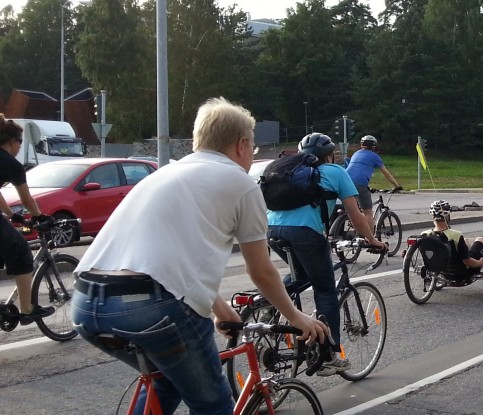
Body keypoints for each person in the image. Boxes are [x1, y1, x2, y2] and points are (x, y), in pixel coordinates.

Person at [71, 98, 329, 415]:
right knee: (214, 405)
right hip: (152, 305)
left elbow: (170, 257)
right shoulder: (241, 183)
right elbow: (261, 271)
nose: (252, 155)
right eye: (253, 148)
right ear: (241, 145)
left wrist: (218, 307)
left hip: (86, 302)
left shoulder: (164, 174)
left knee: (166, 380)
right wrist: (296, 317)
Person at [268, 133, 385, 377]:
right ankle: (328, 355)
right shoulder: (335, 171)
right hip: (306, 234)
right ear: (330, 155)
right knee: (325, 290)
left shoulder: (288, 170)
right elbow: (356, 216)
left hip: (273, 231)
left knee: (301, 275)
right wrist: (372, 240)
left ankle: (270, 304)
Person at [0, 115, 52, 324]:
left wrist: (12, 215)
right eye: (20, 142)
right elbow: (27, 199)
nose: (20, 147)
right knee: (21, 252)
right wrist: (39, 216)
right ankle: (27, 310)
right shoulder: (11, 164)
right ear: (12, 141)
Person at [423, 200, 483, 282]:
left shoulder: (425, 235)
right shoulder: (456, 235)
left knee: (466, 240)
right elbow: (467, 262)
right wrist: (481, 262)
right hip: (462, 273)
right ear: (447, 217)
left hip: (441, 273)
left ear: (433, 217)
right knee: (480, 239)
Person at [345, 135, 402, 225]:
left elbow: (356, 171)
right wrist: (397, 186)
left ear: (362, 144)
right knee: (367, 212)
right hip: (359, 184)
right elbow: (386, 173)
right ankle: (370, 234)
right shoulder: (374, 156)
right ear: (373, 146)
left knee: (353, 208)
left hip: (345, 181)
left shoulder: (356, 153)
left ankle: (351, 222)